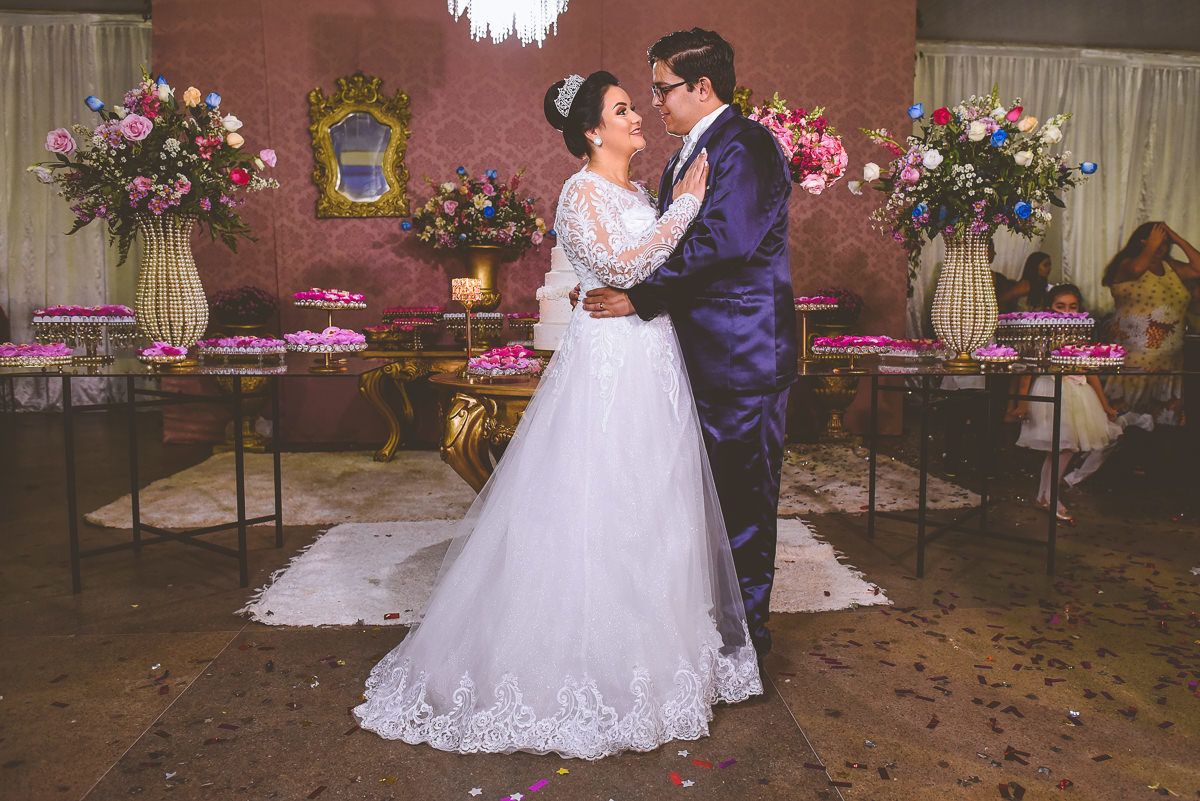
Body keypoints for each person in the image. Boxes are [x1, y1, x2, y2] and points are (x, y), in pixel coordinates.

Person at [353, 71, 761, 760]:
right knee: (596, 502)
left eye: (636, 105)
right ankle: (582, 665)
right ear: (593, 131)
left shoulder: (638, 191)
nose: (639, 117)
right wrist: (685, 212)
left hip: (653, 358)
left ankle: (659, 659)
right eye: (624, 109)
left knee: (655, 502)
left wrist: (674, 215)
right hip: (606, 365)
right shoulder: (580, 193)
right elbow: (615, 264)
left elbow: (656, 274)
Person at [581, 29, 796, 660]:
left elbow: (723, 245)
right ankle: (706, 638)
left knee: (745, 507)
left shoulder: (748, 145)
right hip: (696, 354)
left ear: (702, 87)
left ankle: (744, 652)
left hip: (742, 355)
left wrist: (639, 295)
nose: (654, 103)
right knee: (701, 507)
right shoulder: (685, 157)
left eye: (662, 88)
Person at [1009, 285, 1120, 522]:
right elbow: (1027, 370)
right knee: (1063, 447)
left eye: (1073, 307)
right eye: (1061, 307)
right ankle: (1051, 496)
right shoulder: (1041, 332)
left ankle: (1045, 495)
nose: (1067, 312)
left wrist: (1105, 405)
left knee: (1062, 448)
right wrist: (1022, 402)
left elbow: (1089, 371)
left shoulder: (1082, 332)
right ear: (1050, 308)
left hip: (1078, 392)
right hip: (1050, 388)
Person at [1102, 221, 1200, 425]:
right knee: (1122, 424)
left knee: (1161, 429)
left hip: (1168, 364)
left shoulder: (1171, 267)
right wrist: (1151, 245)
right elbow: (1138, 268)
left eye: (1166, 243)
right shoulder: (1127, 264)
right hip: (1135, 363)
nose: (1162, 247)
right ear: (1143, 242)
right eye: (1157, 242)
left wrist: (1176, 237)